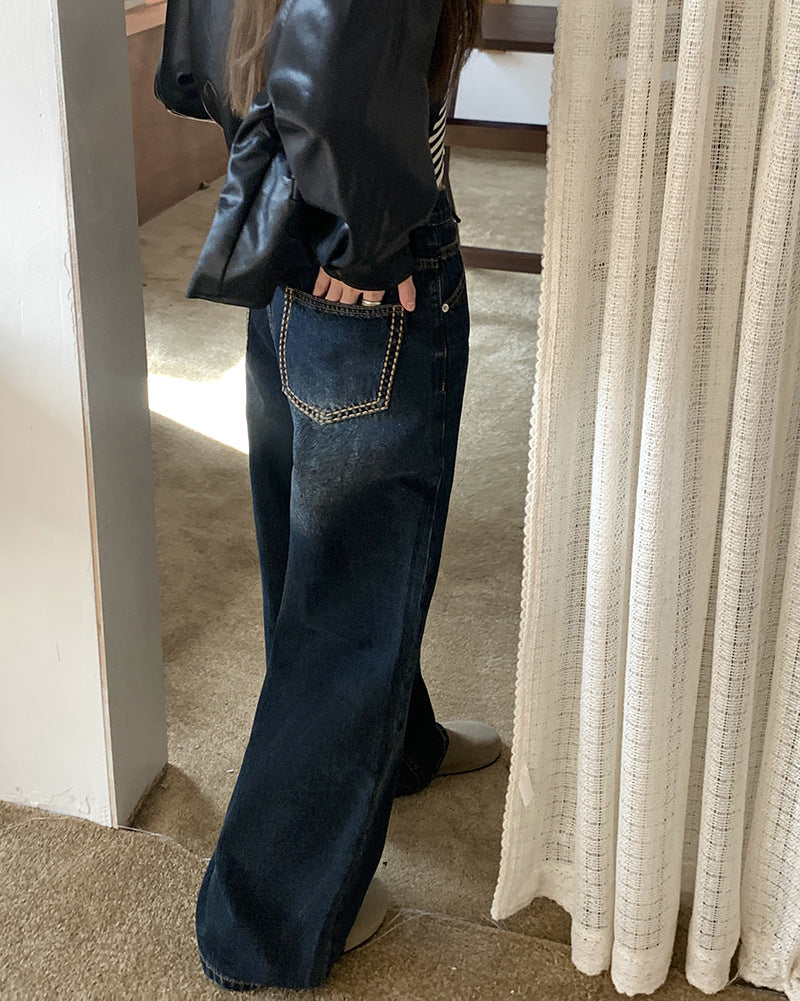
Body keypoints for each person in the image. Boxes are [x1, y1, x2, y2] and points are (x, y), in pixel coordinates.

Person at [157, 0, 501, 990]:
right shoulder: (363, 223)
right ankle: (267, 918)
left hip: (288, 205)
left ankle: (402, 745)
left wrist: (302, 193)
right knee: (352, 584)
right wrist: (363, 230)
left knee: (317, 546)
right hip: (363, 242)